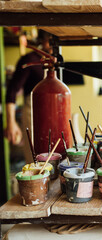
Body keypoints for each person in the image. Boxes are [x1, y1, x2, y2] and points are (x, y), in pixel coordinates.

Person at [5, 30, 52, 164]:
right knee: (34, 157)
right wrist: (11, 123)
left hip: (51, 112)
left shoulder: (55, 62)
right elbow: (12, 91)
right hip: (32, 112)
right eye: (49, 40)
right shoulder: (29, 60)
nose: (51, 45)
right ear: (42, 41)